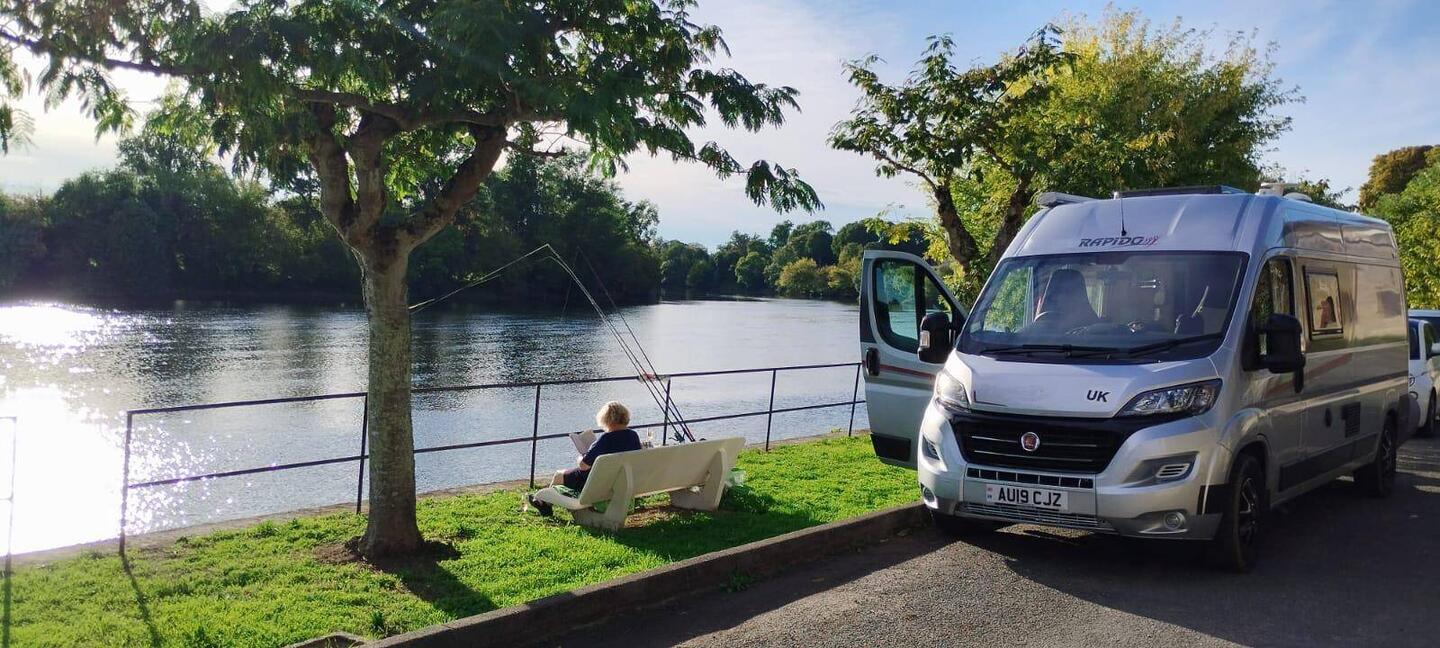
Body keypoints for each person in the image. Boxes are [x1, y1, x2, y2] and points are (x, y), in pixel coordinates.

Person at [526, 401, 643, 517]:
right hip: (620, 481)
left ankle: (545, 504)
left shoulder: (606, 438)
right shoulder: (633, 435)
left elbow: (584, 466)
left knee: (558, 475)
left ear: (607, 419)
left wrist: (581, 457)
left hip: (596, 483)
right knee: (568, 474)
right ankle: (545, 502)